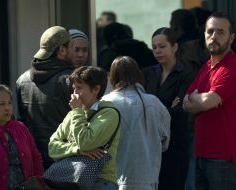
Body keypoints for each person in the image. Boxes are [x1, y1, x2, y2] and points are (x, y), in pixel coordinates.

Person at [183, 12, 236, 190]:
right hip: (200, 153)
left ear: (231, 37)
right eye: (210, 31)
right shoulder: (206, 67)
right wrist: (200, 99)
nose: (214, 36)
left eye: (221, 32)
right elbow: (185, 104)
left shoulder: (232, 66)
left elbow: (206, 102)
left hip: (223, 159)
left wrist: (196, 98)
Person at [102, 56, 170, 190]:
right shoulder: (154, 103)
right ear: (138, 74)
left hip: (113, 179)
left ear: (113, 76)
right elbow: (165, 142)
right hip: (147, 178)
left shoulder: (105, 102)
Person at [48, 66, 120, 190]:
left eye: (79, 88)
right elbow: (52, 148)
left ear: (96, 89)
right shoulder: (74, 114)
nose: (74, 94)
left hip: (101, 181)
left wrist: (77, 110)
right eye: (74, 88)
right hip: (72, 180)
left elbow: (85, 142)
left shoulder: (109, 114)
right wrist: (77, 150)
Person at [16, 26, 74, 169]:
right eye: (72, 46)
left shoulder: (22, 80)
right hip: (67, 161)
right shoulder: (72, 80)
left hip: (34, 161)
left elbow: (21, 120)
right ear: (62, 50)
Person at [142, 27, 193, 190]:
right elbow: (140, 106)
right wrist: (167, 108)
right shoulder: (147, 73)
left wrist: (151, 111)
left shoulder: (186, 74)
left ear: (175, 47)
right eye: (154, 47)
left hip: (175, 145)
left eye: (162, 46)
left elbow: (180, 111)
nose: (157, 51)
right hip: (149, 145)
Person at [0, 84, 45, 190]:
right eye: (1, 104)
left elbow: (36, 157)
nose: (7, 108)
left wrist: (39, 180)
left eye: (9, 103)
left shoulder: (21, 128)